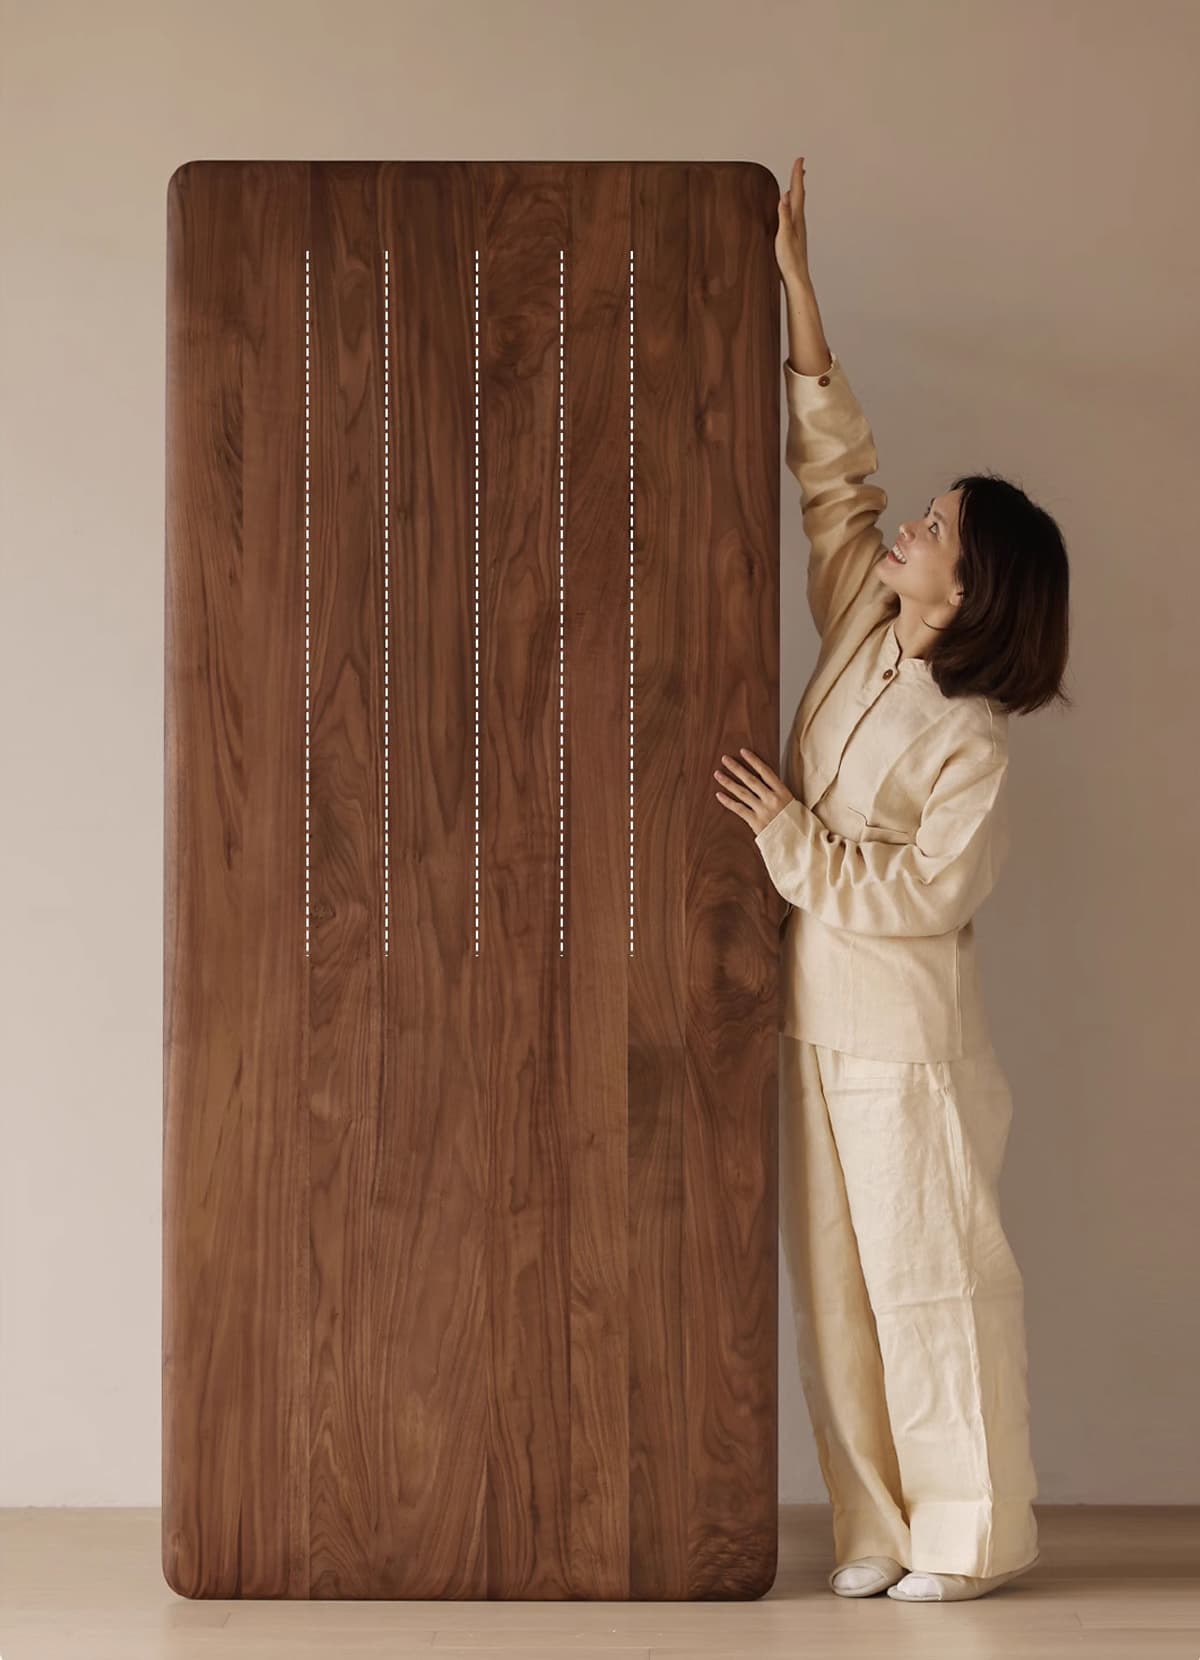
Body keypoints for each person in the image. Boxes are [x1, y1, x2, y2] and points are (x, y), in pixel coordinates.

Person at [713, 156, 1071, 1604]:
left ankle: (971, 1540)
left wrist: (791, 843)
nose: (908, 528)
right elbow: (833, 476)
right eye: (922, 516)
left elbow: (923, 893)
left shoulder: (976, 742)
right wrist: (799, 287)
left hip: (910, 1049)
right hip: (818, 1020)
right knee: (843, 1298)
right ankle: (876, 1530)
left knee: (938, 1286)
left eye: (936, 527)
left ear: (971, 589)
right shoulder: (868, 623)